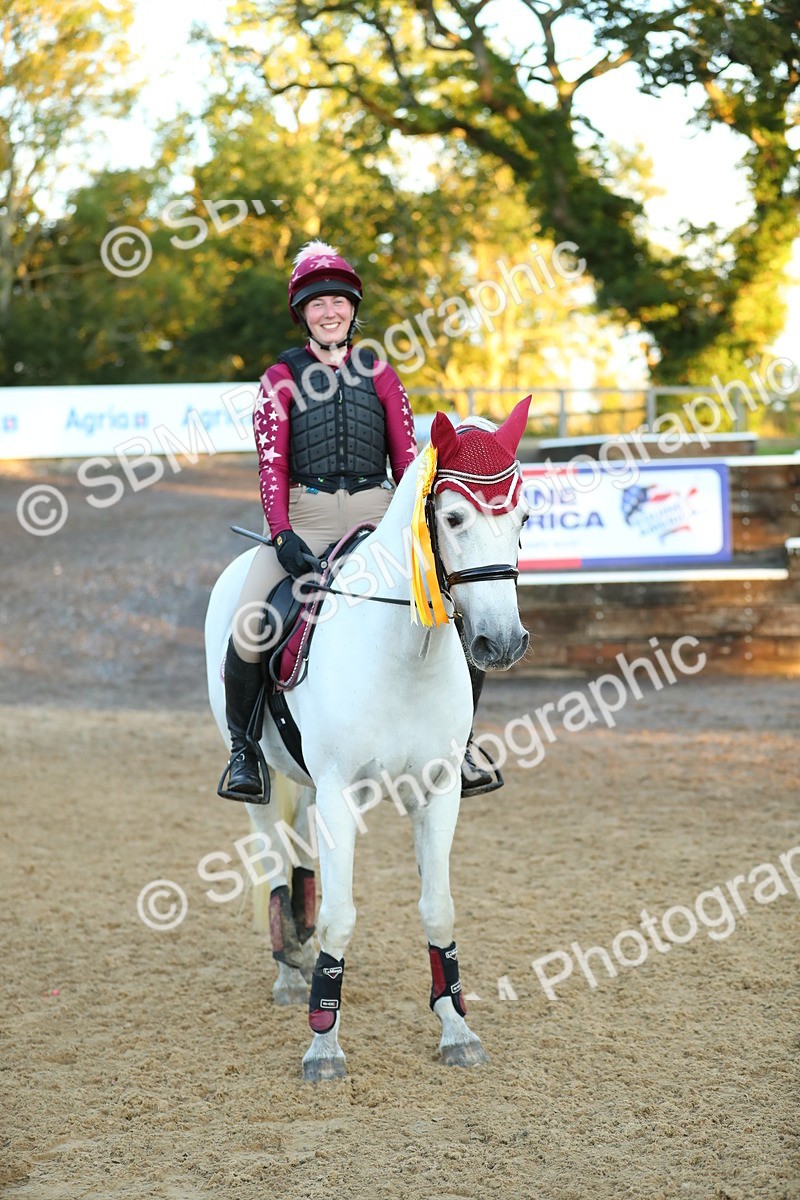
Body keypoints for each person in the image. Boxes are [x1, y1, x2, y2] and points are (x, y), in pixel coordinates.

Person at [219, 240, 502, 801]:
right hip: (308, 514)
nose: (331, 312)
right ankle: (244, 752)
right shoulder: (279, 378)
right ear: (303, 313)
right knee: (250, 625)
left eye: (339, 303)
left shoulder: (381, 373)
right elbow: (270, 465)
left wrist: (417, 528)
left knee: (462, 608)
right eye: (318, 304)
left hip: (380, 513)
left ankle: (460, 742)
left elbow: (408, 463)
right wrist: (282, 534)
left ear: (352, 310)